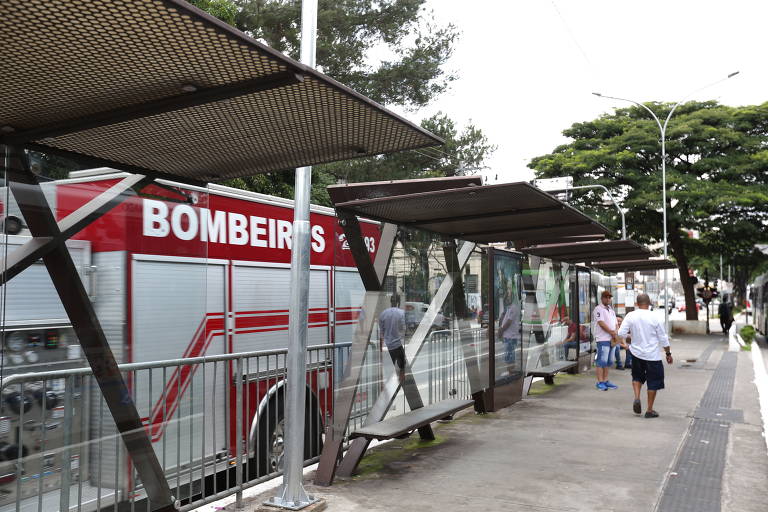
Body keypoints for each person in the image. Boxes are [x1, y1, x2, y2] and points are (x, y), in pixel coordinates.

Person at [617, 293, 672, 418]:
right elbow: (663, 338)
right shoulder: (655, 317)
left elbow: (621, 333)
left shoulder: (631, 315)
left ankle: (637, 397)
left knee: (637, 377)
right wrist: (668, 353)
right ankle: (649, 410)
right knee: (653, 382)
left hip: (636, 353)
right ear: (649, 303)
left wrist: (631, 338)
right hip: (652, 356)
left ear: (637, 303)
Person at [593, 290, 619, 390]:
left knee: (609, 361)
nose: (608, 299)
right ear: (602, 298)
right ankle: (600, 382)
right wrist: (612, 332)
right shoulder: (598, 309)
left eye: (609, 297)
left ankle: (605, 380)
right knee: (601, 361)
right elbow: (601, 323)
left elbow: (616, 324)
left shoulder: (611, 310)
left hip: (612, 339)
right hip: (602, 339)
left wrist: (616, 332)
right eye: (606, 297)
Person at [379, 294, 406, 380]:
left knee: (389, 373)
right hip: (398, 345)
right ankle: (400, 384)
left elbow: (381, 330)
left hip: (387, 347)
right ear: (398, 302)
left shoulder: (383, 313)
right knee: (402, 368)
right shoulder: (401, 313)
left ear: (391, 301)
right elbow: (403, 329)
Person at [499, 289, 521, 376]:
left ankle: (511, 372)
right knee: (508, 354)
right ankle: (509, 371)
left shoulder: (513, 308)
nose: (506, 299)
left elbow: (509, 322)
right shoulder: (509, 308)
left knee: (510, 354)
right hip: (508, 336)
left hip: (511, 336)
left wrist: (501, 330)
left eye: (507, 297)